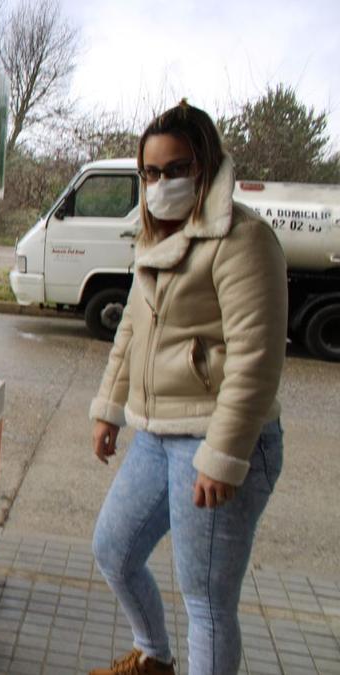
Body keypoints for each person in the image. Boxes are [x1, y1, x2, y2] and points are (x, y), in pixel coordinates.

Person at [87, 100, 287, 675]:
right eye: (150, 172)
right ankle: (153, 656)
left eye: (175, 169)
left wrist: (222, 458)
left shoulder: (243, 240)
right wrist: (110, 409)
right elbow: (132, 329)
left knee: (206, 601)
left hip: (218, 440)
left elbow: (255, 357)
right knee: (115, 551)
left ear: (205, 165)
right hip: (156, 433)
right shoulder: (156, 237)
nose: (160, 183)